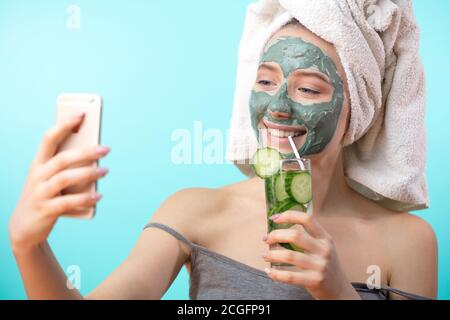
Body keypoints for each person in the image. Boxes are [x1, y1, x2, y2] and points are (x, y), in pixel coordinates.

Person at [9, 10, 437, 300]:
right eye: (266, 83)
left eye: (308, 88)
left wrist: (338, 292)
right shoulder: (195, 212)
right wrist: (29, 245)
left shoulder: (408, 242)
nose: (278, 108)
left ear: (356, 111)